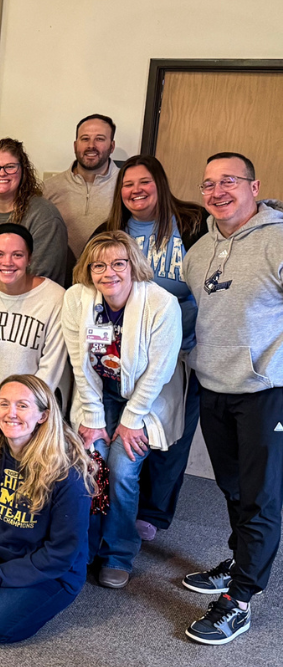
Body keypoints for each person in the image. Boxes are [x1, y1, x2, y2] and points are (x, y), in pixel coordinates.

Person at [179, 152, 283, 645]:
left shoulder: (279, 238)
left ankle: (238, 600)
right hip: (215, 386)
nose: (217, 191)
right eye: (208, 184)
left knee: (261, 496)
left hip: (266, 391)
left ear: (253, 186)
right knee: (232, 488)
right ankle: (240, 560)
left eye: (229, 181)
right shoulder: (198, 250)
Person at [62, 231, 183, 589]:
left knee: (123, 468)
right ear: (88, 269)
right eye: (99, 265)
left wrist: (131, 422)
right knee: (90, 460)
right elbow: (79, 361)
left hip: (148, 399)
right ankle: (86, 547)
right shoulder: (76, 299)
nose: (109, 272)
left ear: (133, 265)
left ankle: (118, 553)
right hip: (99, 393)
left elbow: (159, 370)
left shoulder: (161, 303)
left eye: (118, 263)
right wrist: (94, 418)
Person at [96, 155, 206, 543]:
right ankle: (113, 514)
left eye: (144, 182)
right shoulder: (110, 230)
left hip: (185, 352)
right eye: (128, 184)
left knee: (170, 438)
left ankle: (154, 512)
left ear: (159, 183)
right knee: (122, 439)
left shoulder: (193, 222)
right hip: (126, 354)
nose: (136, 190)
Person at [0, 374, 93, 643]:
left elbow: (60, 554)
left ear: (43, 416)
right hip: (1, 554)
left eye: (22, 405)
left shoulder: (68, 476)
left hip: (53, 571)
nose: (11, 413)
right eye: (4, 404)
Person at [0, 224, 67, 409]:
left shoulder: (56, 297)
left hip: (40, 404)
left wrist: (28, 407)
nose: (7, 262)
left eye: (17, 255)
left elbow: (51, 365)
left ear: (29, 258)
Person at [0, 138, 70, 287]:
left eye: (10, 167)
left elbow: (42, 282)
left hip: (28, 308)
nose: (1, 173)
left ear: (23, 171)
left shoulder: (44, 217)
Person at [43, 114, 120, 259]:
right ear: (75, 145)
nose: (91, 145)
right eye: (85, 139)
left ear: (112, 146)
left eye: (100, 139)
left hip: (108, 277)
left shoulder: (126, 186)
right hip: (60, 277)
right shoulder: (48, 189)